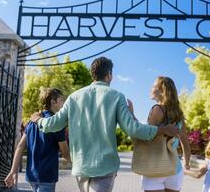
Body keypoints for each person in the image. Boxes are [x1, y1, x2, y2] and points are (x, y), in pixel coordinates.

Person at [30, 57, 180, 192]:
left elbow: (53, 124)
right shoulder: (116, 96)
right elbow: (132, 128)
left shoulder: (73, 97)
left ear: (93, 74)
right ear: (109, 75)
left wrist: (38, 119)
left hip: (81, 166)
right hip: (105, 166)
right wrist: (164, 129)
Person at [5, 88, 71, 192]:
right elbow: (66, 153)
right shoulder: (56, 123)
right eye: (61, 99)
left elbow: (20, 146)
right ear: (53, 102)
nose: (64, 103)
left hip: (31, 176)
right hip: (47, 176)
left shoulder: (31, 122)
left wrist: (13, 171)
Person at [141, 76, 191, 192]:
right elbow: (185, 144)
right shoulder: (179, 115)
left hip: (156, 168)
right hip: (175, 169)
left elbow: (148, 137)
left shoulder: (157, 110)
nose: (150, 89)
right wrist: (186, 165)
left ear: (162, 91)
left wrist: (132, 115)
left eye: (153, 86)